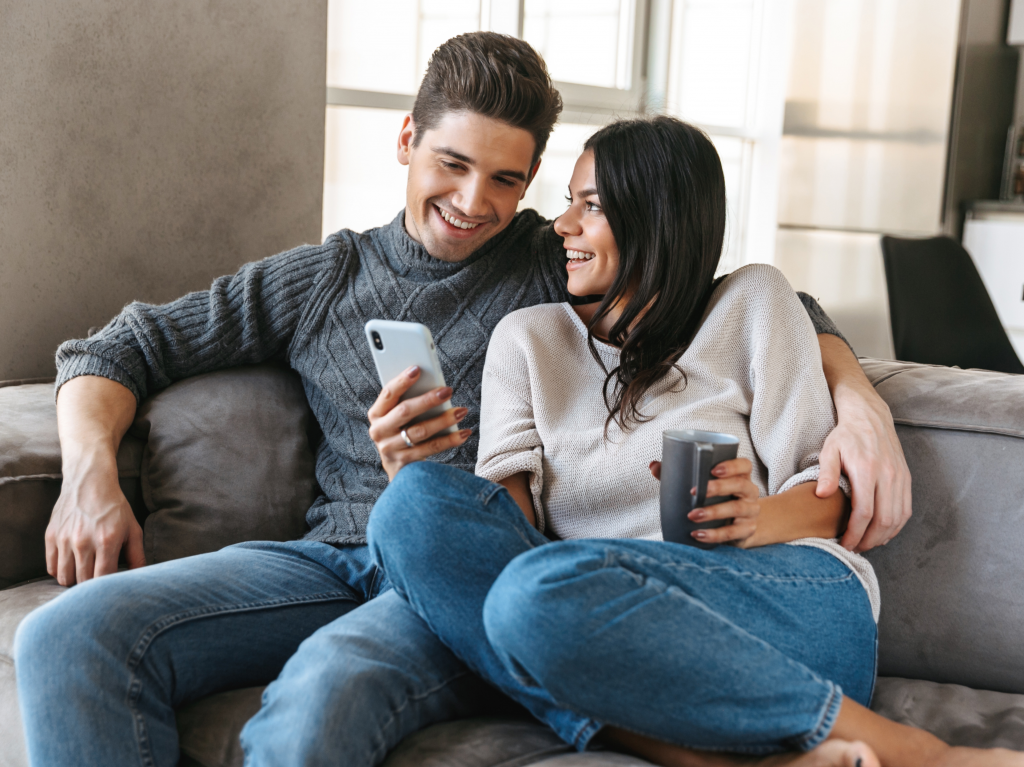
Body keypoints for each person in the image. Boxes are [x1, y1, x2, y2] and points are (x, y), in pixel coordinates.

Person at [15, 33, 909, 767]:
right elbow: (118, 346)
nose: (475, 203)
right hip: (334, 556)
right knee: (68, 638)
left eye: (509, 181)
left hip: (475, 565)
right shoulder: (323, 278)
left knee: (329, 684)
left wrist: (862, 403)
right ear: (406, 139)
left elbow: (714, 287)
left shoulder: (550, 260)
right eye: (453, 163)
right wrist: (90, 476)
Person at [366, 117, 1023, 767]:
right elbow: (513, 537)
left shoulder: (753, 304)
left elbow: (834, 499)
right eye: (569, 202)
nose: (562, 225)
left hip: (786, 601)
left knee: (534, 592)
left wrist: (753, 517)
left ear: (658, 222)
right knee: (416, 512)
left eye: (589, 206)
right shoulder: (528, 341)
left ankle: (924, 753)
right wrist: (423, 478)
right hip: (608, 621)